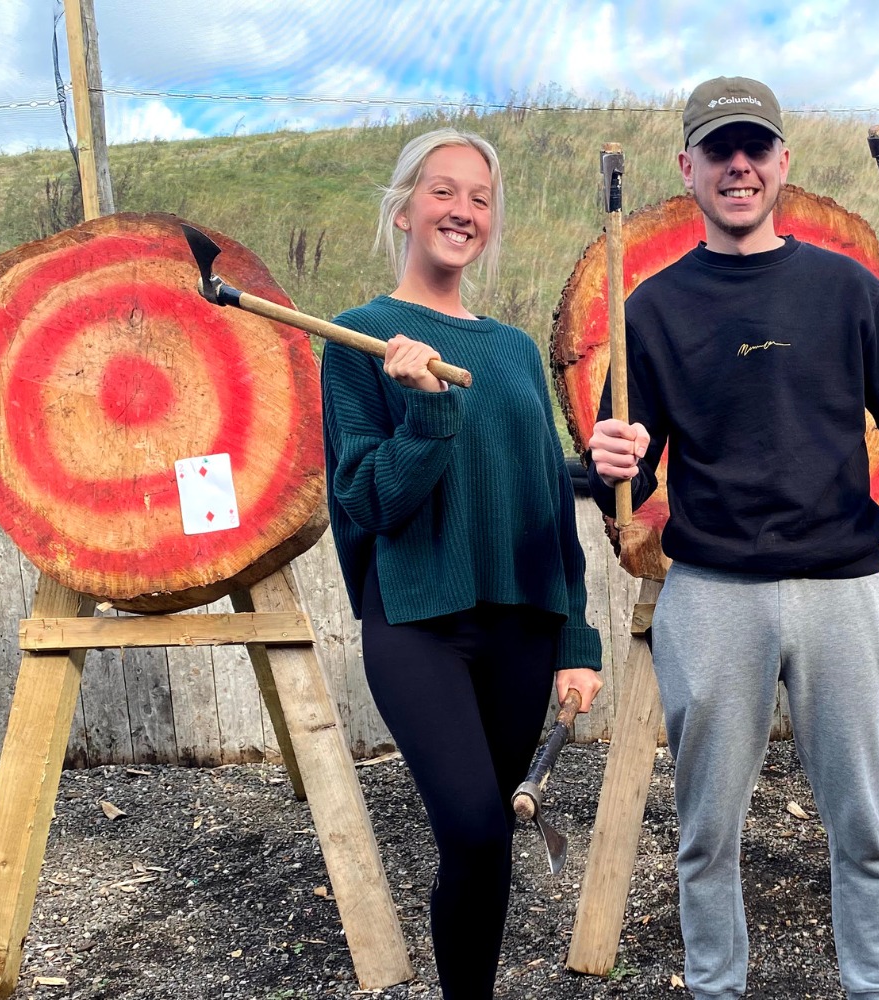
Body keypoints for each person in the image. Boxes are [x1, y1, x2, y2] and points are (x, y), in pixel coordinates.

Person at [586, 78, 879, 1000]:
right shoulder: (649, 307)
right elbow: (631, 475)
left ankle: (869, 986)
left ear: (782, 164)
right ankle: (717, 986)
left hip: (845, 587)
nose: (739, 166)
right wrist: (615, 461)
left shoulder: (846, 287)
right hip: (713, 590)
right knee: (705, 831)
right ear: (686, 168)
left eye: (755, 149)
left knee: (861, 824)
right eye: (719, 151)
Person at [320, 127, 604, 998]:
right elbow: (366, 500)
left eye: (481, 199)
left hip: (523, 624)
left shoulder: (516, 350)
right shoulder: (361, 340)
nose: (463, 211)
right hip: (416, 622)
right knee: (477, 828)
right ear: (405, 209)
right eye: (444, 192)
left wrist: (577, 639)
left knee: (483, 851)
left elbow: (549, 505)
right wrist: (427, 412)